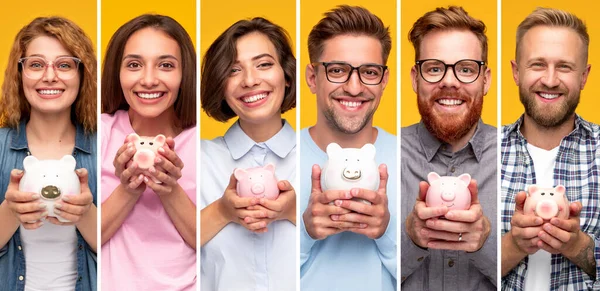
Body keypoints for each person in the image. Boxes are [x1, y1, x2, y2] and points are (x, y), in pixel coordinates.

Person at [501, 8, 600, 290]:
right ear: (516, 72)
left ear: (584, 76)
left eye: (565, 67)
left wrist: (579, 246)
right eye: (538, 65)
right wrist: (514, 244)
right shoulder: (482, 151)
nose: (550, 80)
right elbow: (455, 268)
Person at [300, 5, 397, 291]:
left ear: (384, 80)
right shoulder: (282, 155)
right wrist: (306, 232)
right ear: (311, 77)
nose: (354, 88)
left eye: (369, 72)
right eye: (338, 70)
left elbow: (426, 277)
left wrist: (385, 229)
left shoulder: (409, 157)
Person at [401, 6, 497, 290]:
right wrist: (411, 240)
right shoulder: (386, 156)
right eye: (434, 68)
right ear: (415, 79)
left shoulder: (516, 155)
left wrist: (485, 245)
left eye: (466, 69)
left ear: (486, 79)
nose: (450, 81)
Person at [100, 14, 197, 291]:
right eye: (134, 65)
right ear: (117, 73)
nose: (149, 80)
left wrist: (169, 189)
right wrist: (128, 189)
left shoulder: (202, 145)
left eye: (166, 65)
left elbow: (208, 242)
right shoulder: (100, 134)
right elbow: (85, 237)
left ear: (183, 74)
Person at [0, 17, 97, 291]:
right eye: (36, 64)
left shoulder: (107, 148)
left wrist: (86, 212)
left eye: (64, 64)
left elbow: (128, 253)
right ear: (19, 73)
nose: (50, 76)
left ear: (82, 74)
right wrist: (11, 210)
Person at [200, 17, 297, 291]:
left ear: (287, 76)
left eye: (264, 64)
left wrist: (295, 213)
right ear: (220, 85)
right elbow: (164, 251)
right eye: (233, 70)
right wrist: (221, 211)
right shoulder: (196, 160)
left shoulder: (322, 157)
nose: (250, 80)